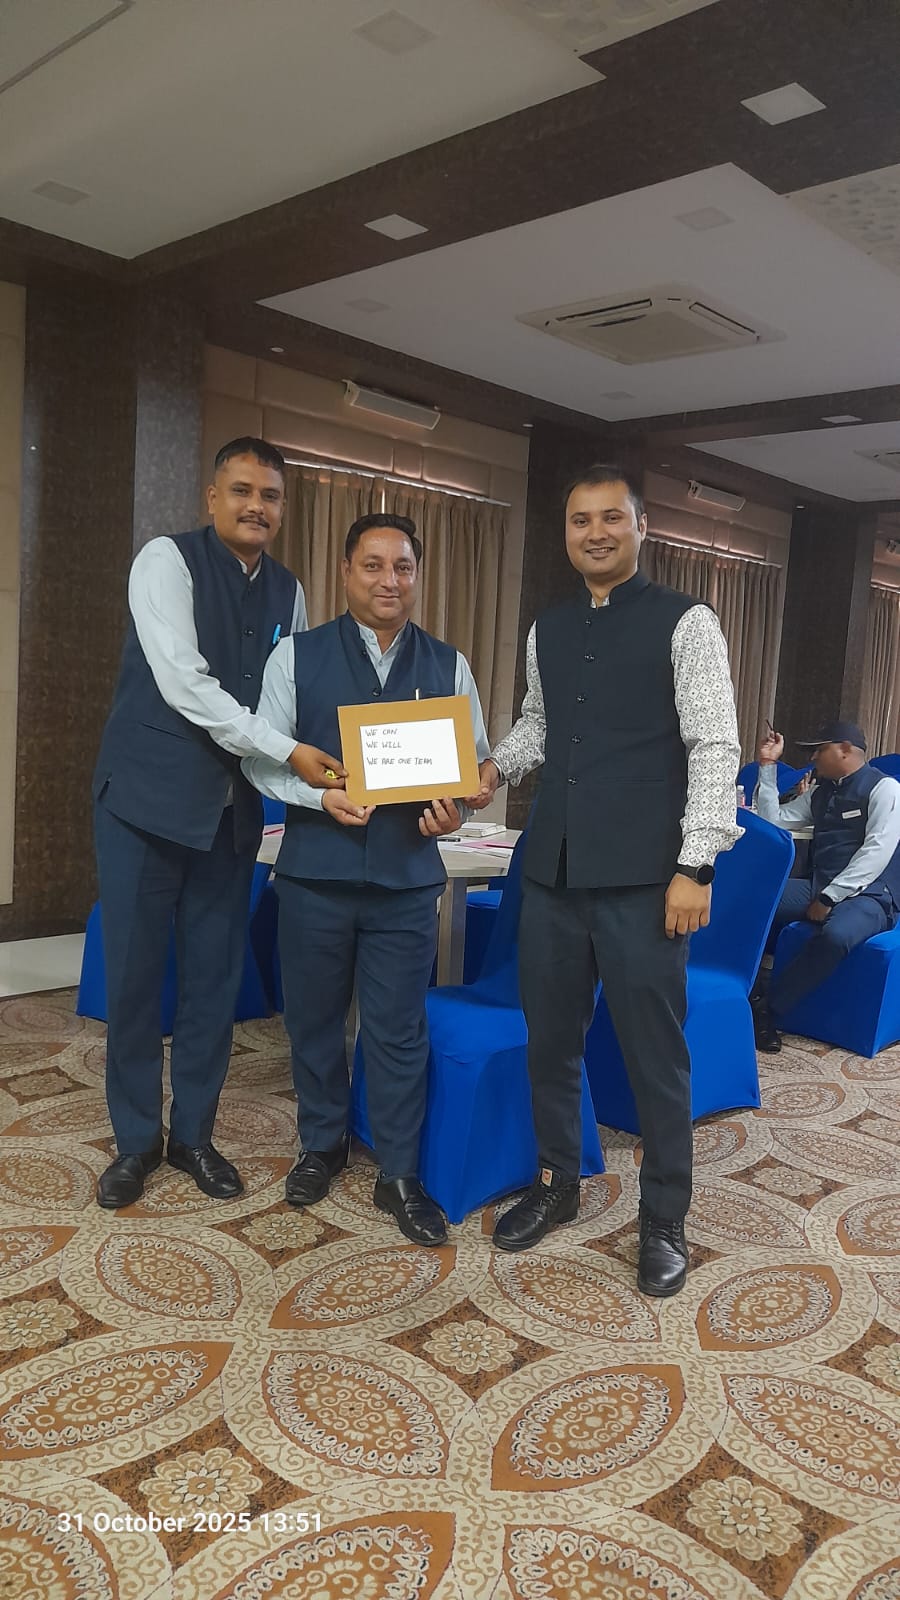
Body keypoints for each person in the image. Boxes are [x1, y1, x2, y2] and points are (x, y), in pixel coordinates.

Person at [466, 465, 741, 1297]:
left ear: (640, 527)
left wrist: (696, 864)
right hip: (553, 869)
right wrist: (492, 768)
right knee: (550, 1041)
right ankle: (558, 1183)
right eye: (580, 519)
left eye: (611, 518)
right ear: (567, 532)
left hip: (645, 879)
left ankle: (664, 1218)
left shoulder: (687, 622)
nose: (595, 532)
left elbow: (714, 746)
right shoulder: (547, 626)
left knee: (655, 1057)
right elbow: (540, 724)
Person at [92, 437, 344, 1210]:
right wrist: (287, 749)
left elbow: (287, 699)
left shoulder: (289, 592)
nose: (255, 507)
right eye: (241, 490)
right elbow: (184, 683)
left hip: (230, 818)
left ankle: (194, 1136)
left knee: (213, 984)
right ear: (212, 497)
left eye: (269, 496)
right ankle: (136, 1142)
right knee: (136, 981)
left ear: (282, 508)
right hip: (144, 805)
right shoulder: (165, 561)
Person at [242, 512, 491, 1247]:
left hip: (407, 881)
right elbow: (260, 759)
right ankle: (321, 1145)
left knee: (397, 1031)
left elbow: (472, 770)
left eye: (403, 567)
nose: (389, 580)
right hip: (314, 876)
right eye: (373, 565)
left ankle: (399, 1171)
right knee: (313, 1021)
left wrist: (456, 810)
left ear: (418, 577)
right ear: (346, 572)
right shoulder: (296, 658)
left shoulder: (449, 665)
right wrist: (316, 796)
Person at [751, 721, 900, 1052]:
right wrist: (768, 766)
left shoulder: (885, 788)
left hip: (872, 895)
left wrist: (830, 897)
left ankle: (769, 1010)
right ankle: (745, 988)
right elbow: (772, 821)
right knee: (753, 899)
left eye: (820, 750)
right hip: (820, 885)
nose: (813, 758)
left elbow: (876, 852)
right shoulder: (821, 792)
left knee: (837, 935)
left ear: (845, 749)